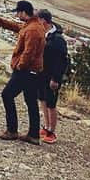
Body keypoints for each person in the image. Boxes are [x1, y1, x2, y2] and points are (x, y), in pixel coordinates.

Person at [0, 0, 45, 144]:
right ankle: (33, 135)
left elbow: (29, 53)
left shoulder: (32, 29)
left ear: (23, 12)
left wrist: (19, 66)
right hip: (33, 72)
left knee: (7, 95)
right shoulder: (33, 25)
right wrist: (0, 21)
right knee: (31, 102)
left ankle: (12, 130)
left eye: (18, 12)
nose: (17, 15)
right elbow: (17, 27)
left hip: (25, 71)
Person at [36, 9, 69, 145]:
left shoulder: (57, 39)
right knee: (43, 99)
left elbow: (61, 61)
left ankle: (52, 131)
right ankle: (46, 126)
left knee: (51, 103)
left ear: (43, 21)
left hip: (52, 77)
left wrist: (56, 79)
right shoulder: (44, 34)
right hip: (42, 74)